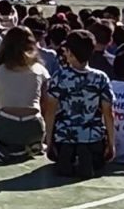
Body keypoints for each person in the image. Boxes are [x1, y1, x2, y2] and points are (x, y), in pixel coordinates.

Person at [0, 26, 50, 163]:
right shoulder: (40, 70)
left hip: (6, 124)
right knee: (23, 136)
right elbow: (45, 104)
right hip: (35, 126)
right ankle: (29, 147)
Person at [44, 30, 115, 178]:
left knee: (62, 154)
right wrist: (111, 144)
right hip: (92, 136)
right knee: (94, 153)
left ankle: (69, 156)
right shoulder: (101, 78)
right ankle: (86, 155)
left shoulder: (59, 77)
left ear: (69, 52)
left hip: (64, 136)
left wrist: (48, 142)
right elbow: (108, 113)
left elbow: (50, 111)